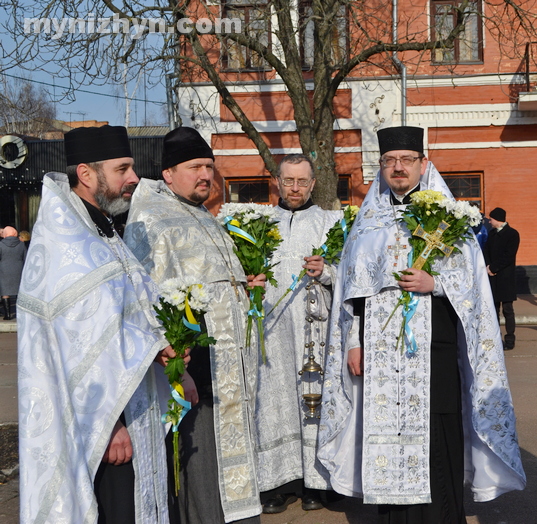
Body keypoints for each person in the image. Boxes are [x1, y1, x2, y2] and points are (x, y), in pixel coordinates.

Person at [317, 126, 526, 523]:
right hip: (379, 357)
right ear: (381, 168)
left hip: (436, 350)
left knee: (437, 435)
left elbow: (474, 287)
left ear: (423, 165)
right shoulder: (365, 227)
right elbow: (352, 291)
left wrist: (437, 283)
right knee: (387, 438)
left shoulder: (449, 221)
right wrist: (352, 343)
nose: (398, 168)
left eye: (406, 160)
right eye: (390, 161)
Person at [17, 125, 180, 523]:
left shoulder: (99, 229)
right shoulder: (67, 245)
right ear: (87, 174)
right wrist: (110, 426)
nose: (134, 179)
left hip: (135, 410)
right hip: (103, 427)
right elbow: (80, 355)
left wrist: (163, 348)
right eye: (123, 168)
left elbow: (126, 317)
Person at [124, 127, 264, 524]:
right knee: (202, 470)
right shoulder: (151, 218)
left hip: (230, 368)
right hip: (195, 368)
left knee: (231, 465)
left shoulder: (204, 214)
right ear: (168, 173)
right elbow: (144, 300)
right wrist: (177, 369)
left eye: (209, 166)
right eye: (195, 167)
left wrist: (246, 289)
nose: (205, 174)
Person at [255, 154, 342, 514]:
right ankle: (277, 483)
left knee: (314, 403)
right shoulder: (258, 223)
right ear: (276, 180)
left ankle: (315, 483)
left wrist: (326, 271)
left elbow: (348, 275)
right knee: (273, 402)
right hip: (271, 333)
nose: (295, 188)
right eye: (288, 181)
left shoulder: (330, 222)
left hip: (314, 332)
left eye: (302, 181)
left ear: (313, 183)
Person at [483, 207, 520, 350]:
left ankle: (510, 338)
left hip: (505, 278)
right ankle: (496, 337)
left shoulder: (512, 234)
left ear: (497, 219)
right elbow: (485, 251)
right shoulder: (492, 234)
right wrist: (487, 267)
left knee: (508, 309)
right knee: (494, 309)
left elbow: (509, 256)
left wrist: (493, 268)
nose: (489, 221)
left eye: (491, 219)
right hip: (492, 278)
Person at [0, 226, 26, 320]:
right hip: (18, 270)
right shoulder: (21, 245)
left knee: (5, 292)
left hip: (4, 271)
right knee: (19, 292)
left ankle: (7, 315)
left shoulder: (1, 245)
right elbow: (25, 258)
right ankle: (21, 314)